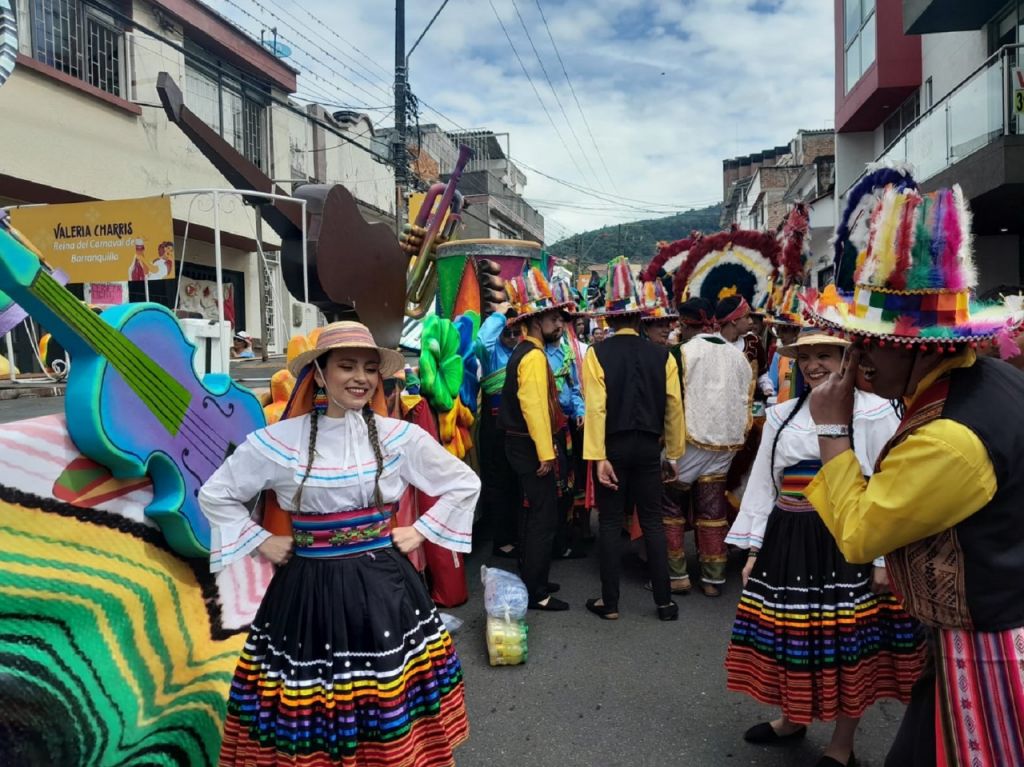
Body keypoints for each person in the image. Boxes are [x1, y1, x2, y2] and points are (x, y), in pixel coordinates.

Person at [803, 184, 1024, 767]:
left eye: (872, 343)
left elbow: (859, 534)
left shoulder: (949, 437)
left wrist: (831, 428)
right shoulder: (993, 382)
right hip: (970, 636)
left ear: (923, 349)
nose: (858, 358)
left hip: (992, 648)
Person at [198, 321, 480, 766]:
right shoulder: (279, 441)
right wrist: (260, 541)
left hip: (384, 587)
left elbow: (463, 483)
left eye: (369, 368)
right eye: (346, 366)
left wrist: (420, 531)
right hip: (308, 589)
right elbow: (216, 494)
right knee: (311, 699)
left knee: (384, 693)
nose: (360, 378)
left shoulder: (398, 437)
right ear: (321, 373)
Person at [724, 327, 925, 767]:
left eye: (826, 356)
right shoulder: (780, 415)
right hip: (788, 540)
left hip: (844, 541)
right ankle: (792, 719)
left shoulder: (875, 413)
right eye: (807, 356)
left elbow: (886, 490)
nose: (814, 365)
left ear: (848, 359)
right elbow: (763, 484)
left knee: (846, 643)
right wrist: (754, 549)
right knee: (791, 637)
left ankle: (841, 745)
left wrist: (879, 557)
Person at [583, 257, 685, 621]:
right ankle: (665, 602)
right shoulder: (664, 355)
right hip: (649, 446)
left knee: (611, 524)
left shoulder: (596, 353)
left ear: (608, 319)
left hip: (612, 446)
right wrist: (672, 453)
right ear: (641, 319)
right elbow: (674, 407)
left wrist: (598, 457)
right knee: (654, 521)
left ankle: (609, 604)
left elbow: (595, 409)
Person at [498, 268, 574, 612]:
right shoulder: (531, 356)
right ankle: (538, 591)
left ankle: (532, 576)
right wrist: (546, 453)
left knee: (534, 515)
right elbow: (534, 410)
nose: (560, 324)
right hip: (529, 447)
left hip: (523, 445)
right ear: (535, 321)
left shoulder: (530, 352)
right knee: (543, 518)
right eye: (555, 318)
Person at [672, 298, 753, 596]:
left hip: (688, 443)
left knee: (670, 504)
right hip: (726, 444)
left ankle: (677, 575)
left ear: (685, 323)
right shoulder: (738, 358)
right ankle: (712, 579)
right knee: (712, 508)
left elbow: (672, 402)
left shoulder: (682, 353)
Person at [476, 302, 522, 557]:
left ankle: (516, 534)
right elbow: (482, 342)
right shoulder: (491, 353)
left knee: (517, 481)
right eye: (507, 333)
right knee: (499, 481)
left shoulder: (523, 353)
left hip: (517, 424)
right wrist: (498, 315)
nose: (513, 337)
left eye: (516, 332)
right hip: (495, 426)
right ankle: (501, 540)